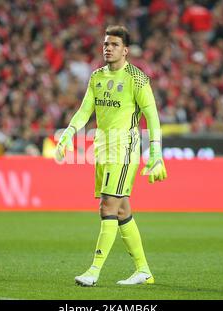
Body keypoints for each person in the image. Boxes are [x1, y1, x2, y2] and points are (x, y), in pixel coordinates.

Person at [55, 25, 167, 286]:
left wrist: (156, 152)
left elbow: (152, 117)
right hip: (103, 147)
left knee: (107, 205)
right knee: (121, 209)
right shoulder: (96, 77)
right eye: (106, 44)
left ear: (125, 51)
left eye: (114, 44)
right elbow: (85, 110)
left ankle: (94, 270)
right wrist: (68, 132)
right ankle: (143, 270)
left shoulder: (137, 79)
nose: (108, 48)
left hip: (124, 147)